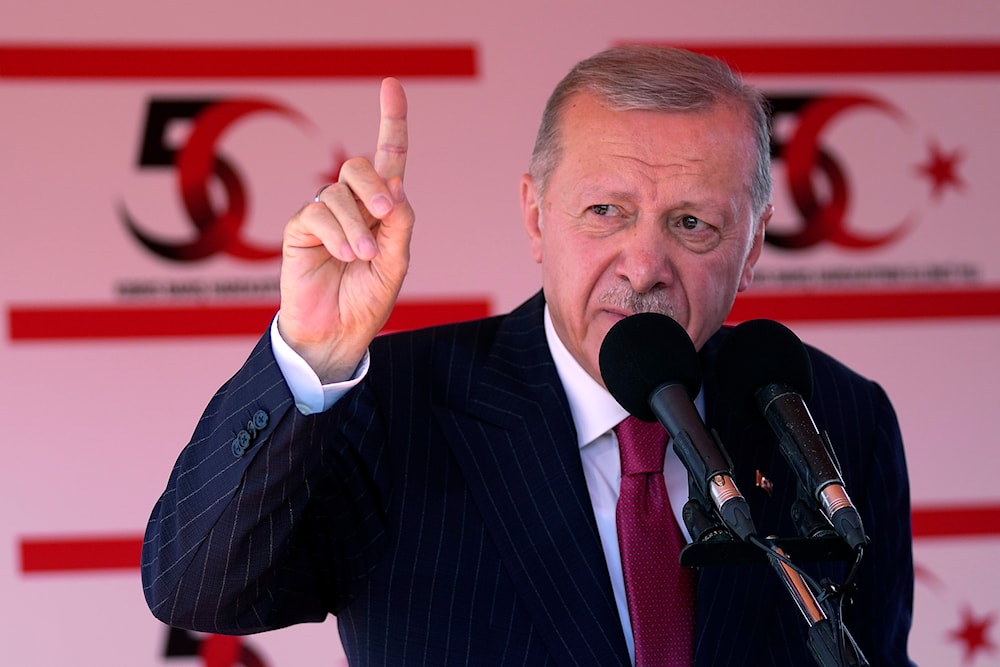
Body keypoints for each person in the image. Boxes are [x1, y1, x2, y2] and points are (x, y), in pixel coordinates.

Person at [141, 46, 915, 666]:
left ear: (751, 249)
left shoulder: (832, 414)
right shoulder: (396, 405)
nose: (642, 265)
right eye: (604, 212)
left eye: (692, 224)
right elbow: (197, 589)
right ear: (536, 218)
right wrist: (312, 351)